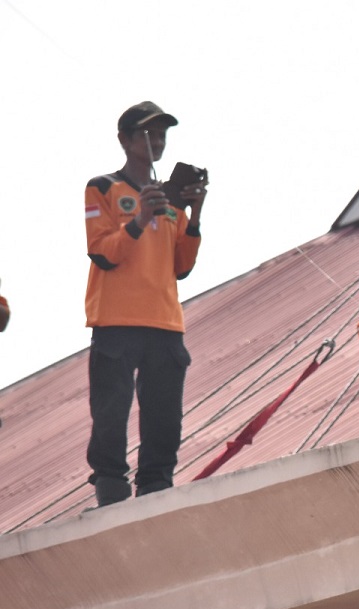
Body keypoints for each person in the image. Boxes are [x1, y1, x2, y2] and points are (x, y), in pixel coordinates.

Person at [83, 101, 208, 506]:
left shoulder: (170, 203)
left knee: (163, 417)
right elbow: (102, 253)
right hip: (116, 318)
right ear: (124, 139)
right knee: (111, 413)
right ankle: (111, 489)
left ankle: (156, 488)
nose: (156, 141)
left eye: (162, 134)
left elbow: (182, 266)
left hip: (165, 321)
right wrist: (139, 218)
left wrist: (196, 213)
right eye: (146, 133)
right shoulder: (102, 187)